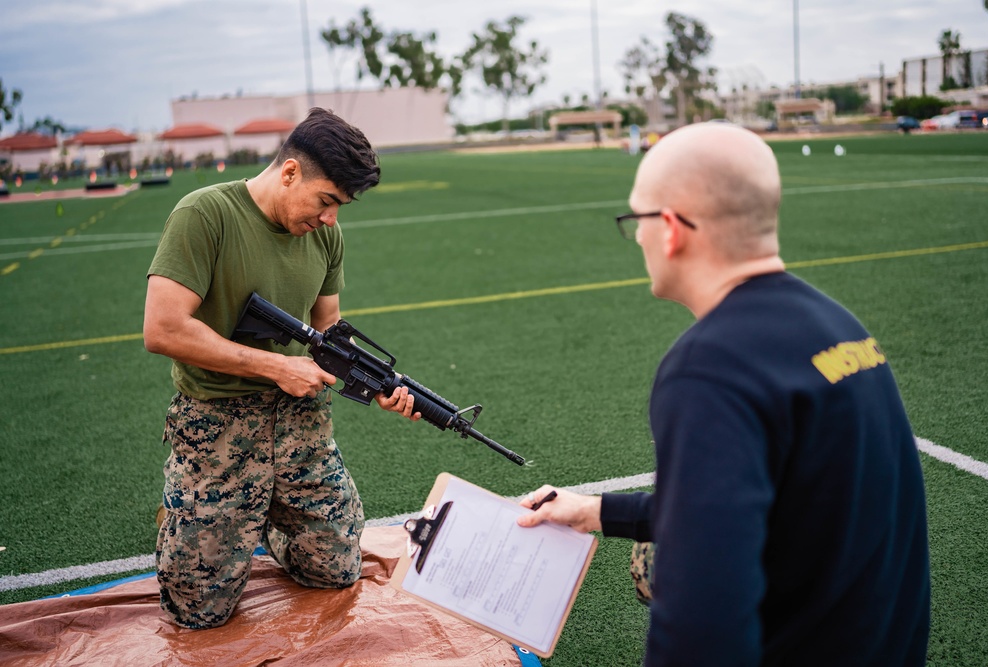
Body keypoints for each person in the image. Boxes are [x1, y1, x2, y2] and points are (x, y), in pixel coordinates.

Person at [517, 122, 930, 665]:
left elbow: (701, 624)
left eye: (635, 219)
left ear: (669, 228)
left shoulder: (710, 367)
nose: (636, 237)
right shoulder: (837, 326)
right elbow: (769, 508)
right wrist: (595, 511)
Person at [143, 108, 421, 629]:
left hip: (300, 421)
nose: (331, 219)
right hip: (217, 424)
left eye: (340, 206)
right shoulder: (205, 214)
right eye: (327, 201)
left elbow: (328, 333)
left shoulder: (325, 238)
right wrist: (275, 366)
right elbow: (163, 329)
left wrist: (379, 384)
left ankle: (266, 522)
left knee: (337, 570)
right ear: (290, 172)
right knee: (197, 611)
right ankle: (198, 520)